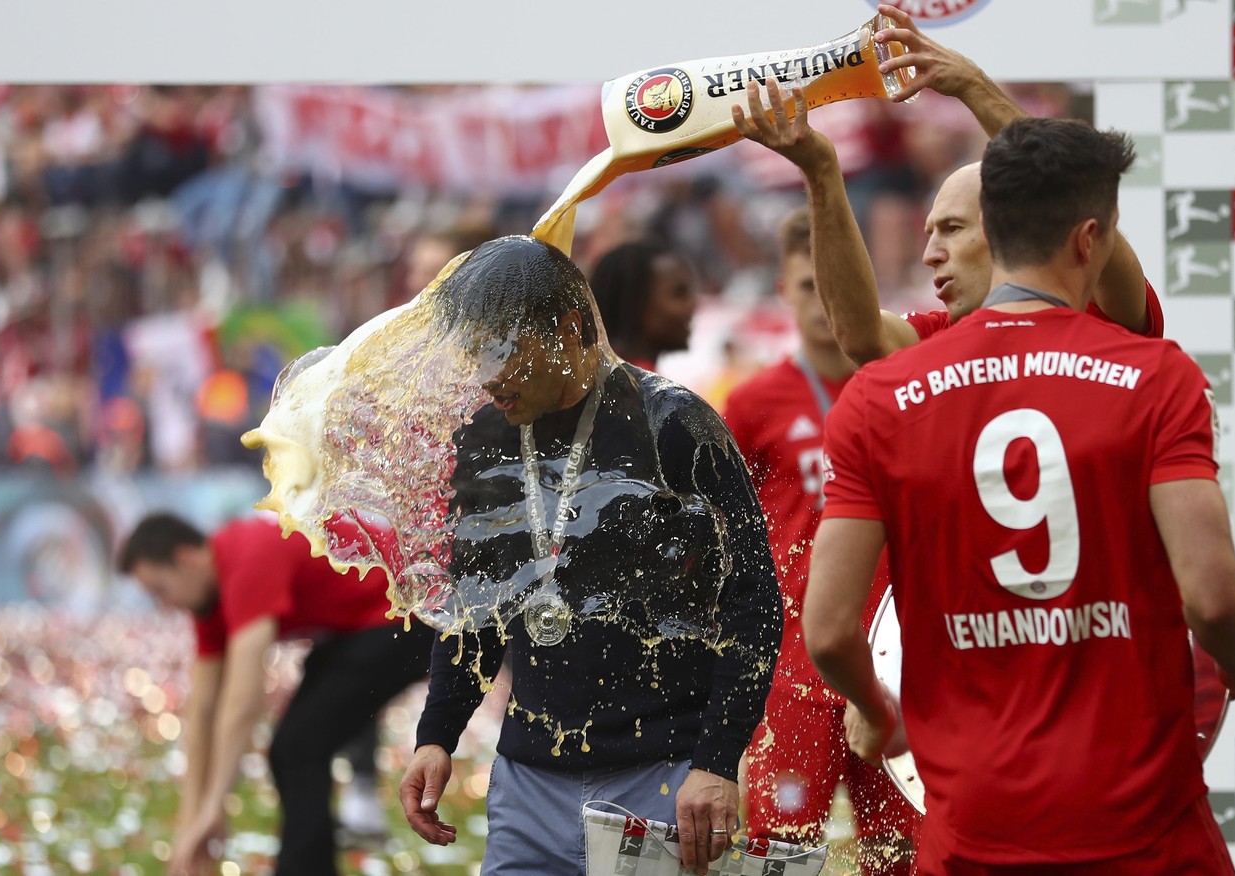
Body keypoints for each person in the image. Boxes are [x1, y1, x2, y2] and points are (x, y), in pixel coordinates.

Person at [802, 118, 1235, 874]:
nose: (930, 252)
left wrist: (882, 712)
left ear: (996, 227)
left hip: (975, 832)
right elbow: (1212, 599)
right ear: (1090, 239)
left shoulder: (884, 396)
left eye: (950, 228)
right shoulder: (1154, 375)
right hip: (1146, 831)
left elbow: (826, 632)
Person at [397, 236, 782, 875]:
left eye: (503, 351)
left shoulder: (674, 426)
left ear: (570, 328)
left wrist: (716, 761)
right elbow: (475, 606)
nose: (486, 374)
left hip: (661, 777)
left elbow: (753, 604)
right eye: (474, 352)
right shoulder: (486, 439)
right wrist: (437, 734)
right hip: (528, 779)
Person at [731, 4, 1162, 369]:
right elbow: (862, 337)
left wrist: (972, 87)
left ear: (1008, 233)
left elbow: (1075, 193)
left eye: (953, 229)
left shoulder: (1102, 312)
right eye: (931, 232)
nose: (929, 255)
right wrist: (821, 170)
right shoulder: (942, 339)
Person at [724, 208, 920, 873]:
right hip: (795, 670)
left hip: (894, 667)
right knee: (781, 855)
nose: (821, 301)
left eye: (830, 284)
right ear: (783, 289)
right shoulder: (753, 403)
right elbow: (730, 533)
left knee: (899, 859)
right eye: (807, 286)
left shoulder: (904, 389)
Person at [117, 512, 433, 876]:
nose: (165, 605)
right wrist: (191, 826)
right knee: (295, 749)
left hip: (410, 613)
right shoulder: (209, 598)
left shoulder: (247, 557)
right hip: (361, 628)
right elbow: (202, 711)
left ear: (187, 558)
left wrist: (214, 806)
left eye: (161, 590)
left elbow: (242, 703)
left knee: (297, 747)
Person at [588, 240, 699, 371]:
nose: (693, 304)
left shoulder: (608, 375)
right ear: (635, 304)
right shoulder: (634, 386)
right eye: (679, 294)